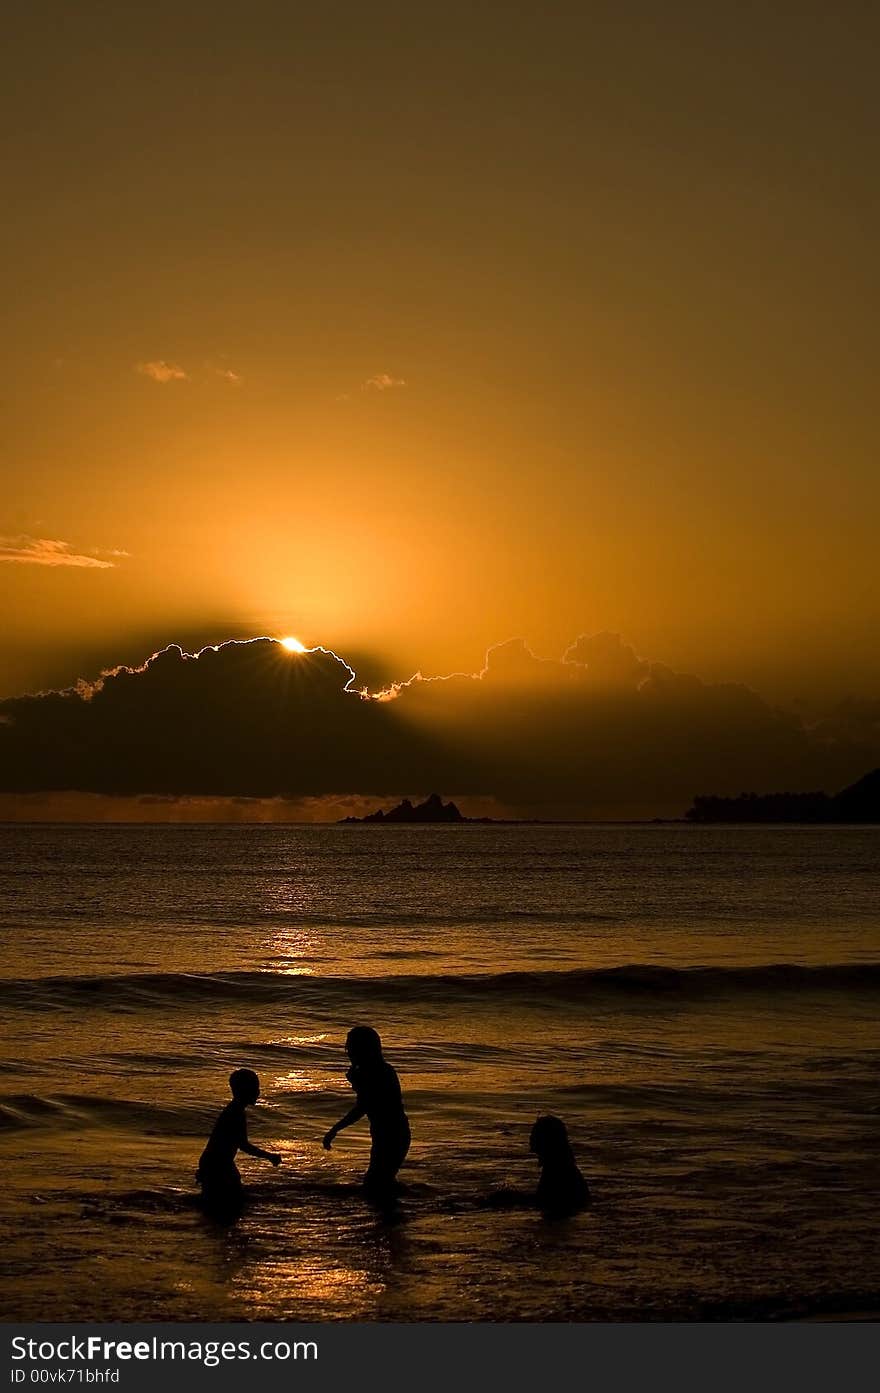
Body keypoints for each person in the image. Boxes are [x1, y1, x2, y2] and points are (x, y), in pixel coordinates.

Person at [323, 1026, 410, 1199]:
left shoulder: (379, 1072)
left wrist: (335, 1129)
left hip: (392, 1135)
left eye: (351, 1048)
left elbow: (364, 1106)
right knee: (380, 1183)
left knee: (375, 1184)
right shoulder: (377, 1070)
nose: (348, 1053)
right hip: (387, 1134)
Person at [196, 1068, 281, 1215]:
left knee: (221, 1205)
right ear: (244, 1090)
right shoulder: (235, 1113)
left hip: (217, 1163)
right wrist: (269, 1156)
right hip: (218, 1164)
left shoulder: (235, 1110)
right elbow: (243, 1145)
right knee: (229, 1205)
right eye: (255, 1088)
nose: (258, 1092)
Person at [530, 1114, 590, 1216]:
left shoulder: (556, 1167)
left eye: (535, 1133)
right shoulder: (560, 1163)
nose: (531, 1137)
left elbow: (547, 1200)